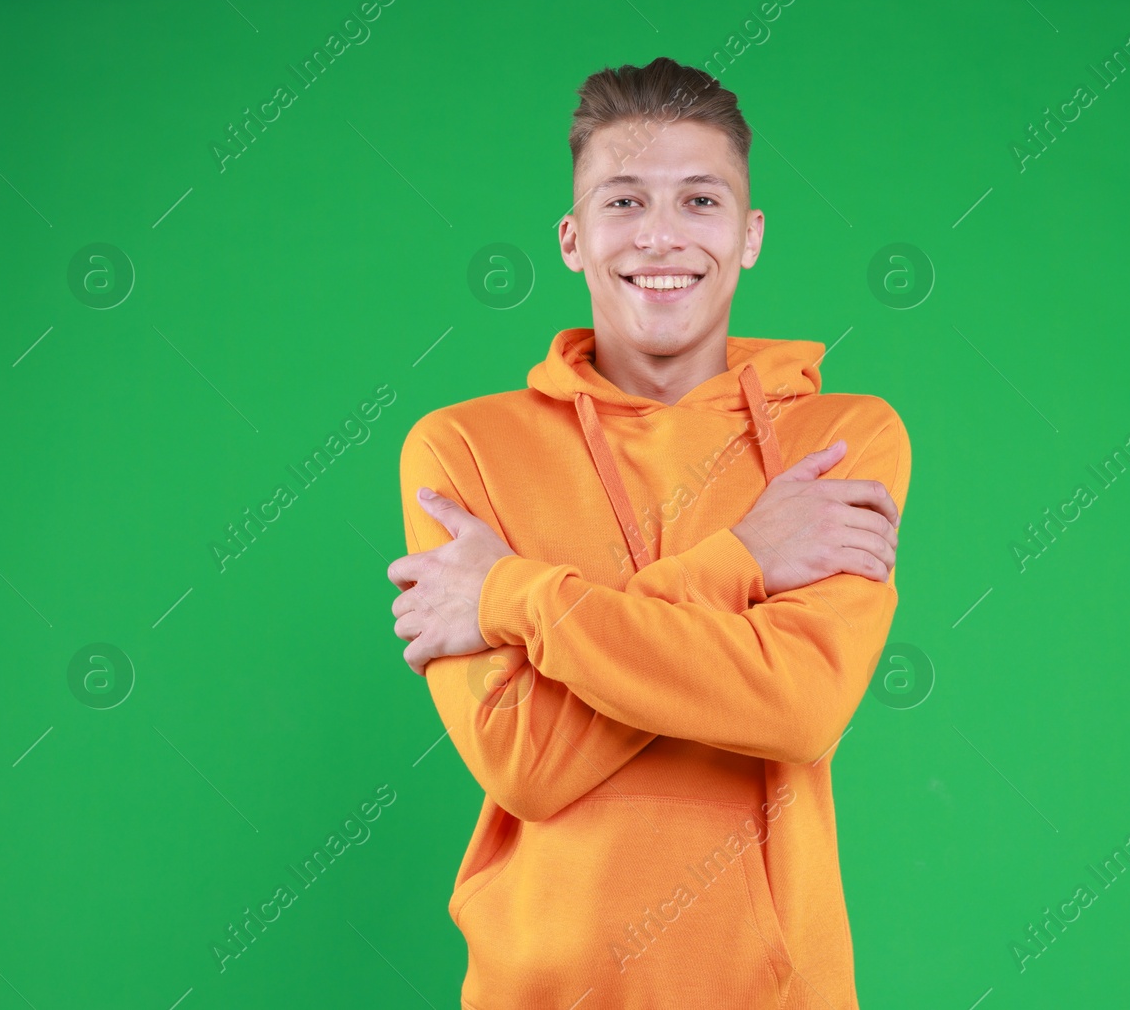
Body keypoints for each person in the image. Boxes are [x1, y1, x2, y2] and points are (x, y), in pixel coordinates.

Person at [389, 56, 910, 1009]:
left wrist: (511, 594)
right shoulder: (461, 449)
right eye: (623, 202)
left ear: (749, 236)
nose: (661, 236)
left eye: (700, 201)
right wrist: (746, 558)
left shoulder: (837, 441)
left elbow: (794, 707)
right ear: (572, 238)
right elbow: (528, 762)